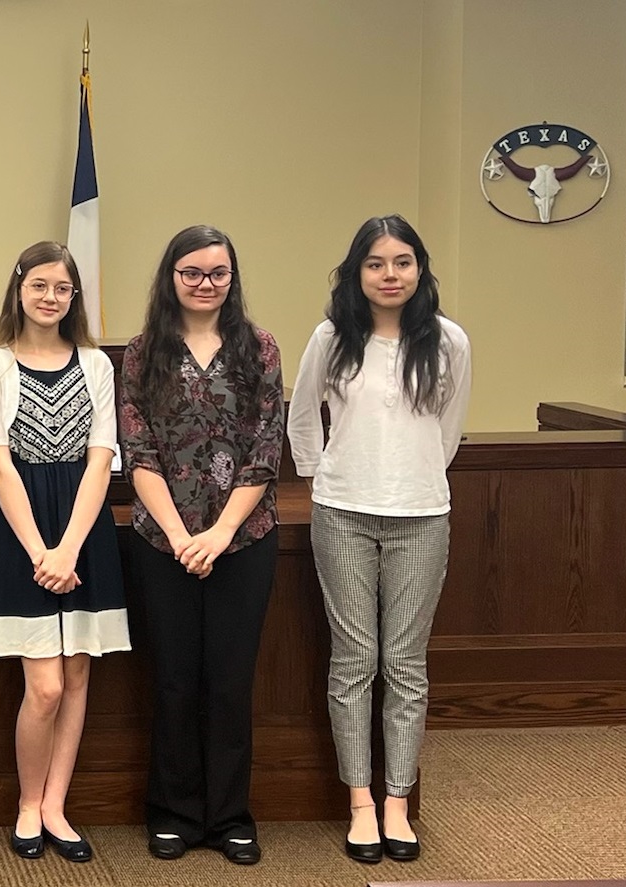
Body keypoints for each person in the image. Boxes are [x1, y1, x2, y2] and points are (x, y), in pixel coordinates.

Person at [287, 215, 471, 865]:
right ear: (355, 272)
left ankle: (398, 801)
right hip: (341, 512)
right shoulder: (331, 336)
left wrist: (411, 476)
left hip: (420, 513)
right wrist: (323, 475)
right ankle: (360, 802)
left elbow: (448, 429)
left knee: (404, 663)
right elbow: (301, 413)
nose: (388, 274)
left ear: (419, 269)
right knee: (353, 660)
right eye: (374, 263)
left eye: (401, 261)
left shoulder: (447, 341)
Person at [118, 224, 284, 865]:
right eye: (192, 272)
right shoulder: (141, 353)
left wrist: (218, 533)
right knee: (174, 682)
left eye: (218, 272)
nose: (206, 283)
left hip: (245, 542)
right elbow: (140, 451)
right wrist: (184, 535)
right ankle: (173, 813)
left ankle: (230, 818)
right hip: (164, 544)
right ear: (172, 277)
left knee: (231, 682)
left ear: (232, 278)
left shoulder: (259, 348)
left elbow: (266, 449)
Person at [0, 241, 129, 863]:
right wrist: (43, 552)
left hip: (84, 531)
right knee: (45, 687)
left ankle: (56, 805)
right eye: (39, 285)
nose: (50, 298)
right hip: (21, 531)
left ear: (74, 297)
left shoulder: (96, 363)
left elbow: (101, 460)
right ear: (19, 289)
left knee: (79, 673)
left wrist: (71, 548)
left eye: (62, 288)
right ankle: (26, 804)